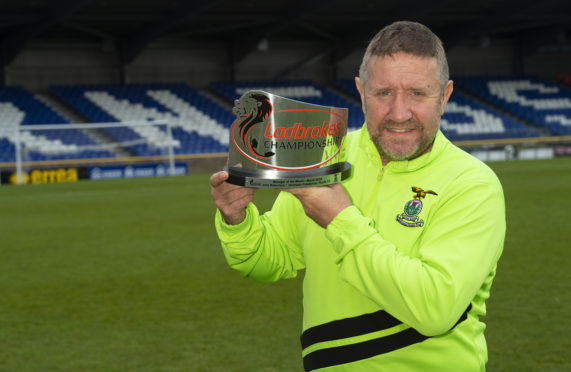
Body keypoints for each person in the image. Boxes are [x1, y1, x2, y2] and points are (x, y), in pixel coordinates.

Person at [210, 21, 505, 371]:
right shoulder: (322, 157)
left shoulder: (472, 184)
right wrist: (237, 220)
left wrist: (340, 221)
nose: (399, 113)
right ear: (361, 91)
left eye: (417, 93)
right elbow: (268, 260)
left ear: (444, 96)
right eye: (383, 93)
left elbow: (434, 309)